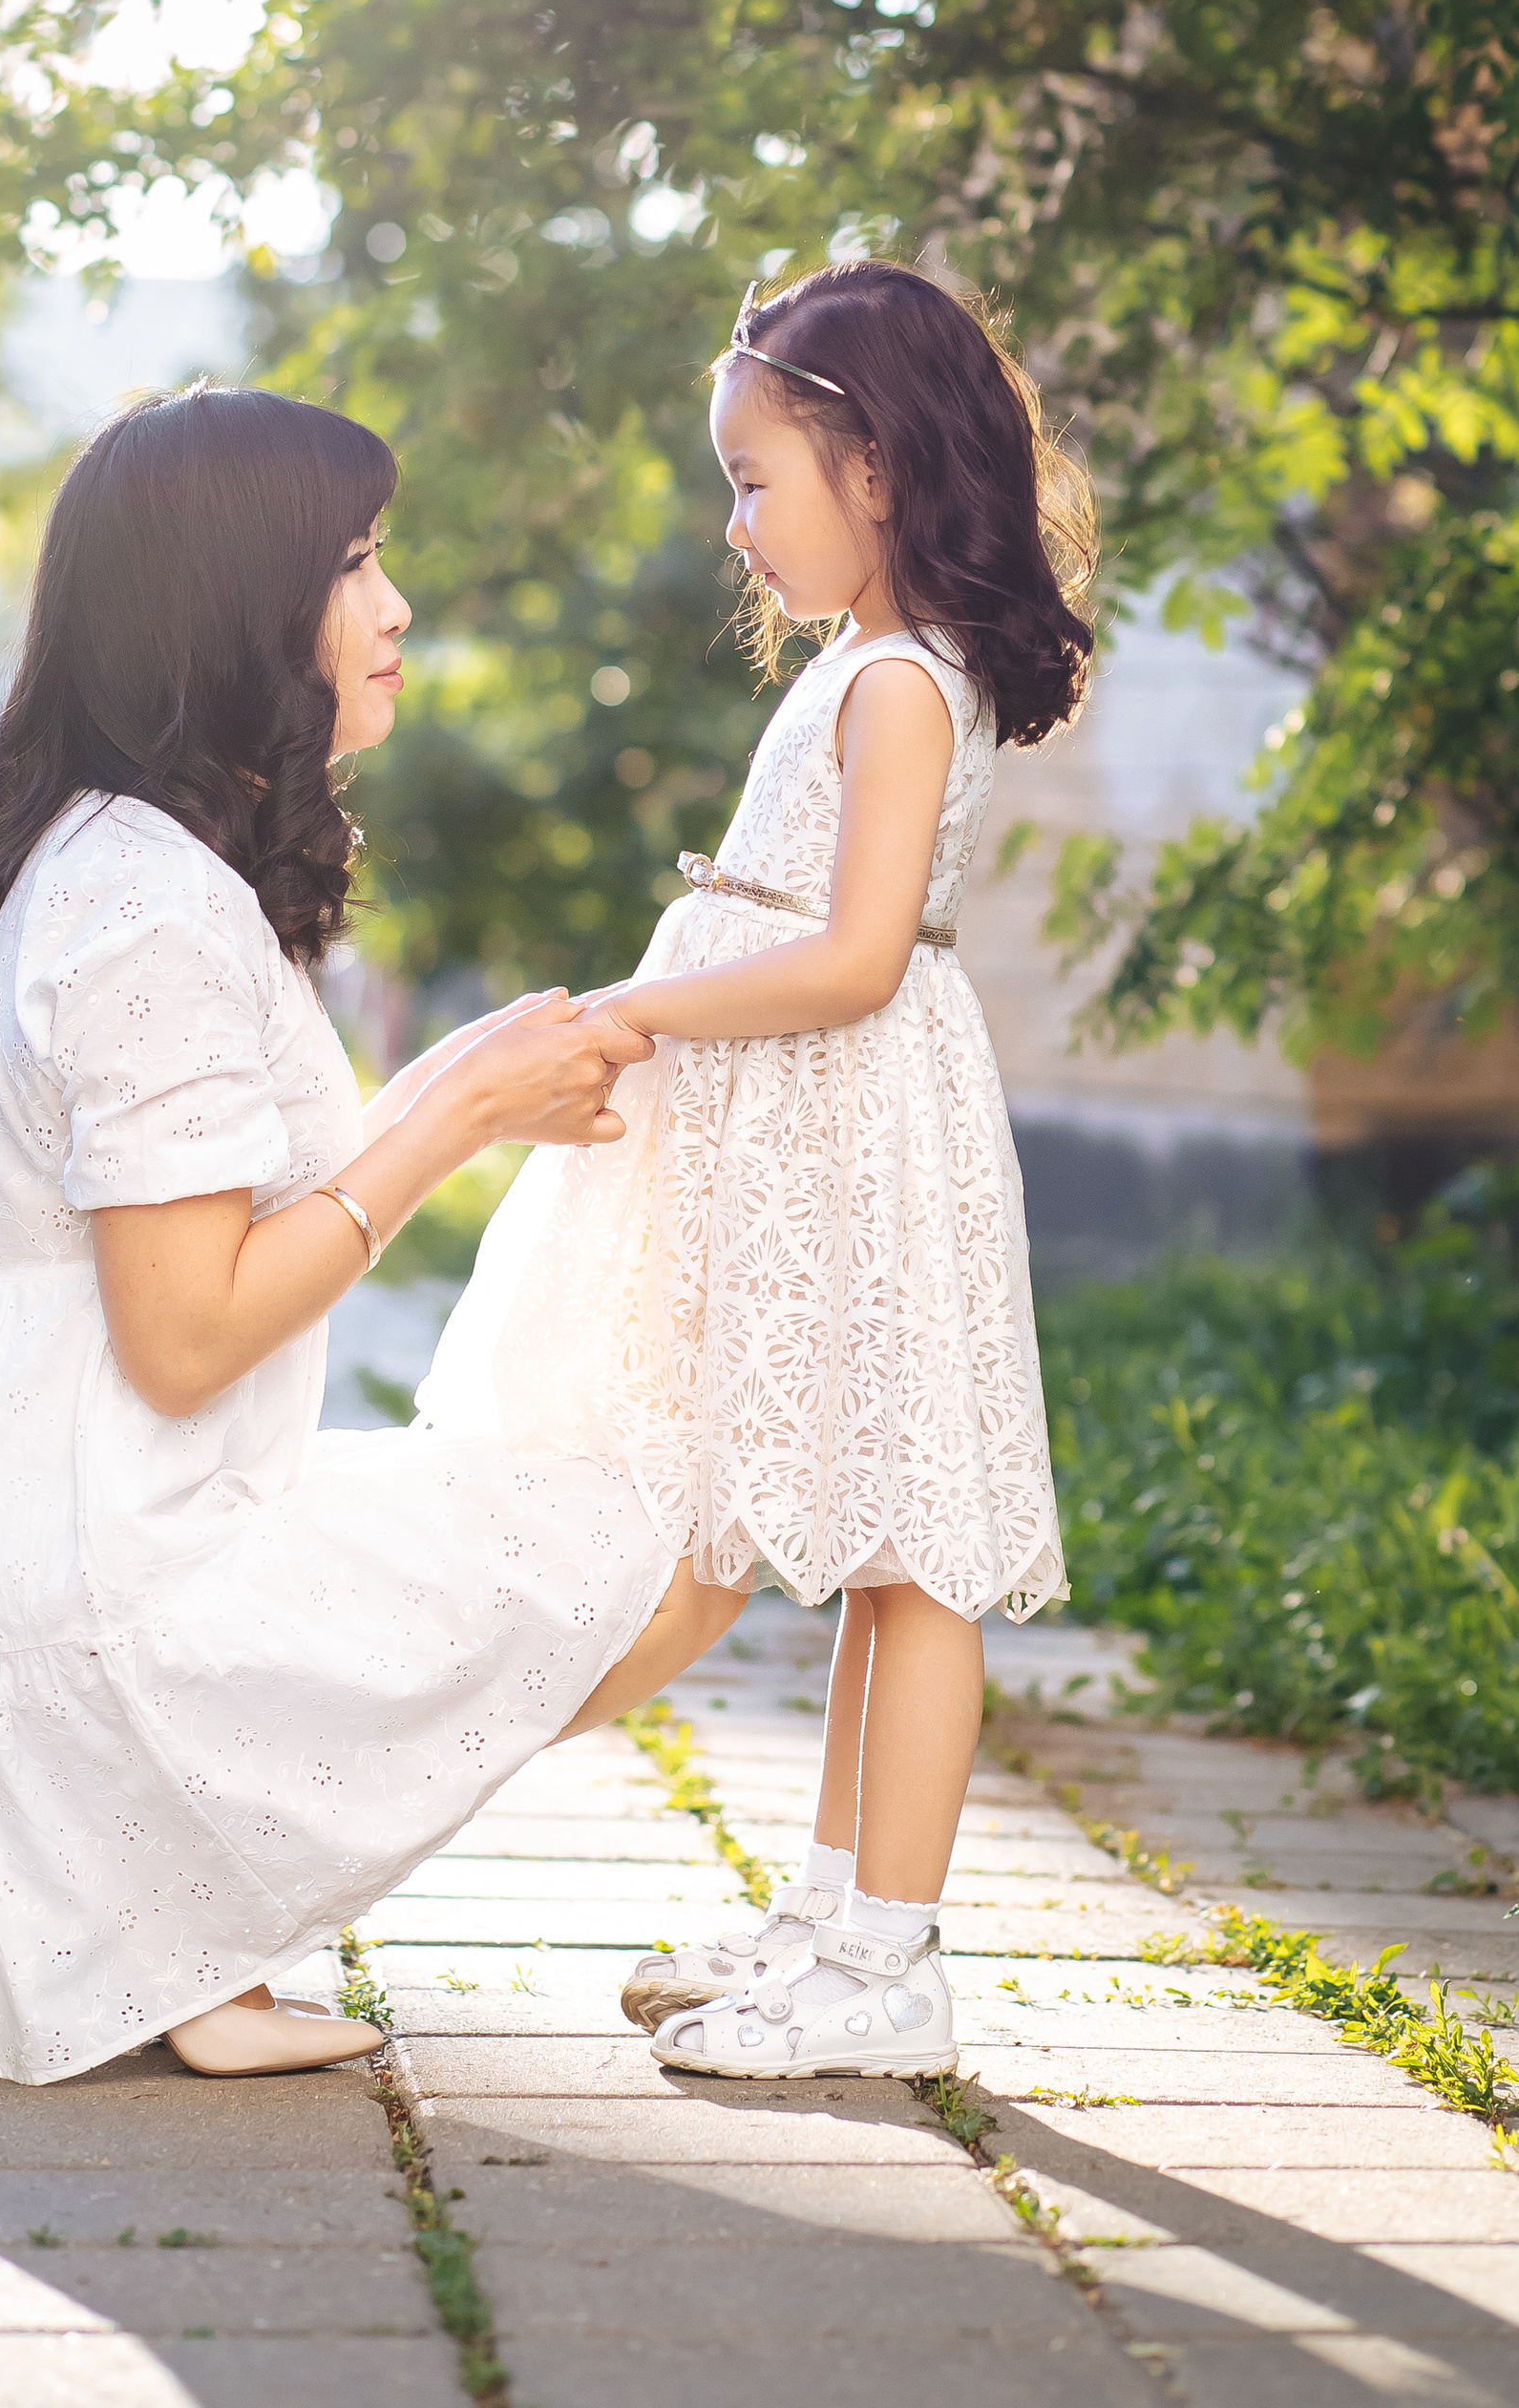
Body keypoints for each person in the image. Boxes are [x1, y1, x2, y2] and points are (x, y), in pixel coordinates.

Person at [0, 388, 735, 2086]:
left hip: (65, 1531)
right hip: (91, 1594)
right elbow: (188, 1334)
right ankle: (176, 1923)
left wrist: (471, 1075)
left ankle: (182, 1943)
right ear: (230, 608)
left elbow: (206, 1234)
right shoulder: (145, 906)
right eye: (356, 563)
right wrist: (447, 1122)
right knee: (675, 1545)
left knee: (610, 1534)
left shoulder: (136, 857)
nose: (395, 608)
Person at [419, 260, 1094, 2077]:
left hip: (871, 1123)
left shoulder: (897, 687)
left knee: (920, 1551)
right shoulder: (867, 673)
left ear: (874, 471)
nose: (736, 524)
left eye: (752, 477)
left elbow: (862, 956)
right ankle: (824, 1919)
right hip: (833, 1124)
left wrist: (648, 1008)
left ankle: (892, 1966)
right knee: (877, 1546)